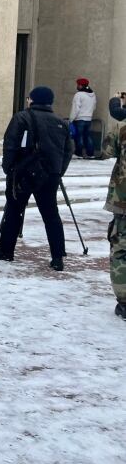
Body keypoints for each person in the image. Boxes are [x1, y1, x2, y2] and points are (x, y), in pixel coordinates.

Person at [0, 86, 73, 270]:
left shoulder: (22, 117)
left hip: (23, 173)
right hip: (50, 175)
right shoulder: (61, 122)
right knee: (51, 214)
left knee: (14, 209)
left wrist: (8, 168)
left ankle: (6, 250)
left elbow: (11, 144)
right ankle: (57, 256)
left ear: (32, 100)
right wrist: (58, 171)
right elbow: (68, 151)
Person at [101, 91, 126, 320]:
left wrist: (118, 114)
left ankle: (124, 302)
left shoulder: (123, 126)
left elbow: (107, 150)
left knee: (121, 250)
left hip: (123, 201)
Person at [69, 77, 97, 158]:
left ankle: (78, 153)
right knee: (87, 136)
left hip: (79, 118)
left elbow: (75, 108)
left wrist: (71, 119)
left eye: (78, 84)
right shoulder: (92, 94)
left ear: (81, 85)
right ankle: (90, 153)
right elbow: (94, 106)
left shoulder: (78, 95)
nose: (77, 86)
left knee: (78, 136)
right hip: (89, 118)